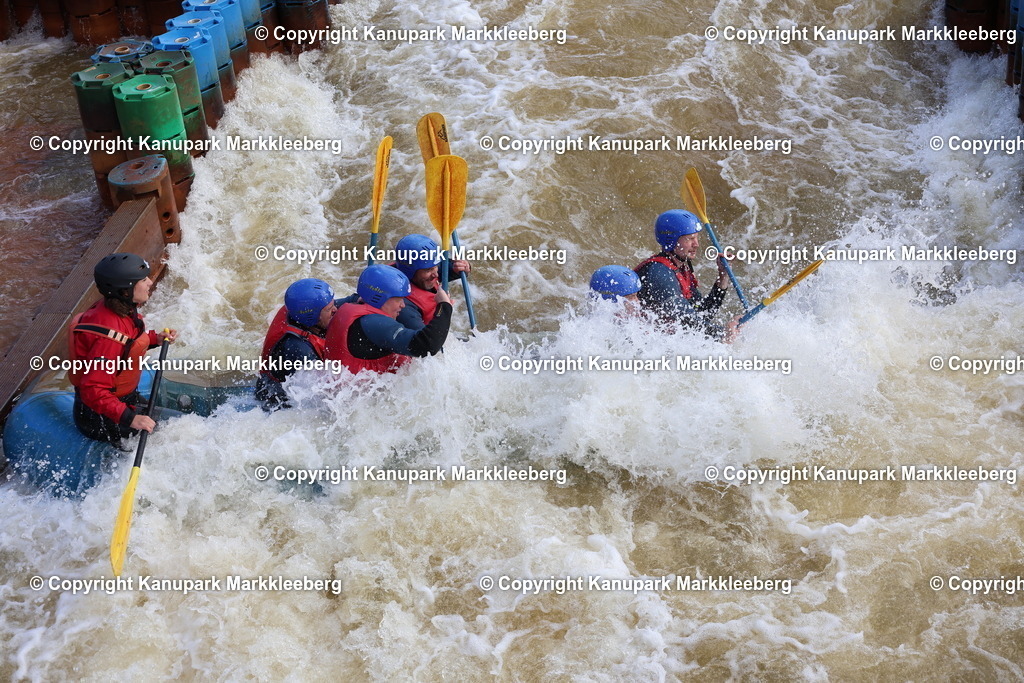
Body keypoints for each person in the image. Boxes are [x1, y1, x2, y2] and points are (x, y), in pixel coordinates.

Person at [68, 253, 177, 447]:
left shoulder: (119, 309)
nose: (150, 282)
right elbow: (93, 390)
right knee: (175, 432)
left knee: (174, 419)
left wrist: (155, 339)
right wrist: (131, 419)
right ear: (125, 291)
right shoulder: (109, 338)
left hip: (125, 399)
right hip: (102, 419)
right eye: (143, 280)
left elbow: (130, 341)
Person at [325, 264, 452, 374]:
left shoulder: (350, 307)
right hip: (366, 397)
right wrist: (444, 307)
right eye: (398, 299)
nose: (403, 305)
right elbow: (426, 346)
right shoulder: (373, 323)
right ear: (380, 298)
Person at [634, 210, 739, 342]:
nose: (696, 244)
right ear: (672, 240)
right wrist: (722, 334)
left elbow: (703, 313)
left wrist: (723, 276)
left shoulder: (681, 268)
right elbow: (686, 319)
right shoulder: (659, 273)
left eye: (696, 237)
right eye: (690, 239)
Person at [255, 278, 337, 410]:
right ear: (312, 316)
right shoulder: (298, 349)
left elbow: (336, 304)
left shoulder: (297, 310)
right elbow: (322, 395)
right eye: (329, 309)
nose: (336, 310)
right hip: (278, 403)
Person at [391, 233, 470, 330]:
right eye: (428, 270)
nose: (436, 274)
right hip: (424, 338)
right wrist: (444, 308)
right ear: (409, 271)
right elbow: (427, 342)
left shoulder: (424, 268)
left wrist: (463, 267)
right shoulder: (402, 306)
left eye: (435, 267)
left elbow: (455, 270)